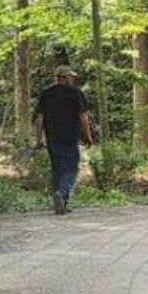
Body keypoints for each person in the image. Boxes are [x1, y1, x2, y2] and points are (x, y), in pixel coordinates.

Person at [34, 65, 93, 215]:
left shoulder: (46, 94)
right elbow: (83, 116)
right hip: (70, 138)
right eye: (70, 77)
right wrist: (87, 135)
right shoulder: (76, 93)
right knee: (71, 168)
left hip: (52, 138)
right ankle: (61, 193)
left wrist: (38, 139)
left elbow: (40, 118)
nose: (72, 79)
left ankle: (61, 204)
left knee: (57, 169)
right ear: (65, 78)